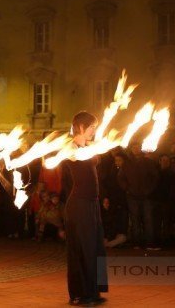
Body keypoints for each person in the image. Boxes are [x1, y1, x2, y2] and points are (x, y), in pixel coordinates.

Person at [63, 111, 107, 306]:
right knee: (82, 248)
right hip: (79, 204)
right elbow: (77, 158)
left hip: (92, 202)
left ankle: (94, 291)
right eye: (91, 127)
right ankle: (80, 293)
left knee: (95, 247)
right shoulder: (70, 148)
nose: (93, 131)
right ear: (80, 127)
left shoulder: (89, 146)